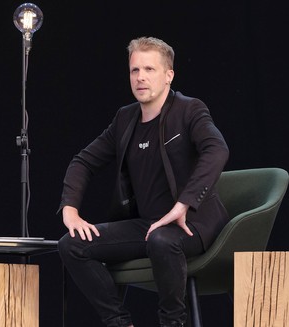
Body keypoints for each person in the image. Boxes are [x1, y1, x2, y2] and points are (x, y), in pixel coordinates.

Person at [57, 37, 229, 327]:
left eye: (149, 69)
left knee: (162, 241)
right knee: (71, 245)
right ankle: (119, 323)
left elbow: (217, 149)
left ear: (168, 75)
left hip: (194, 223)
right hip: (149, 224)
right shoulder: (125, 119)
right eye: (134, 70)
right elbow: (83, 161)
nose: (140, 77)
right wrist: (69, 209)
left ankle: (172, 323)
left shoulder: (190, 110)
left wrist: (184, 203)